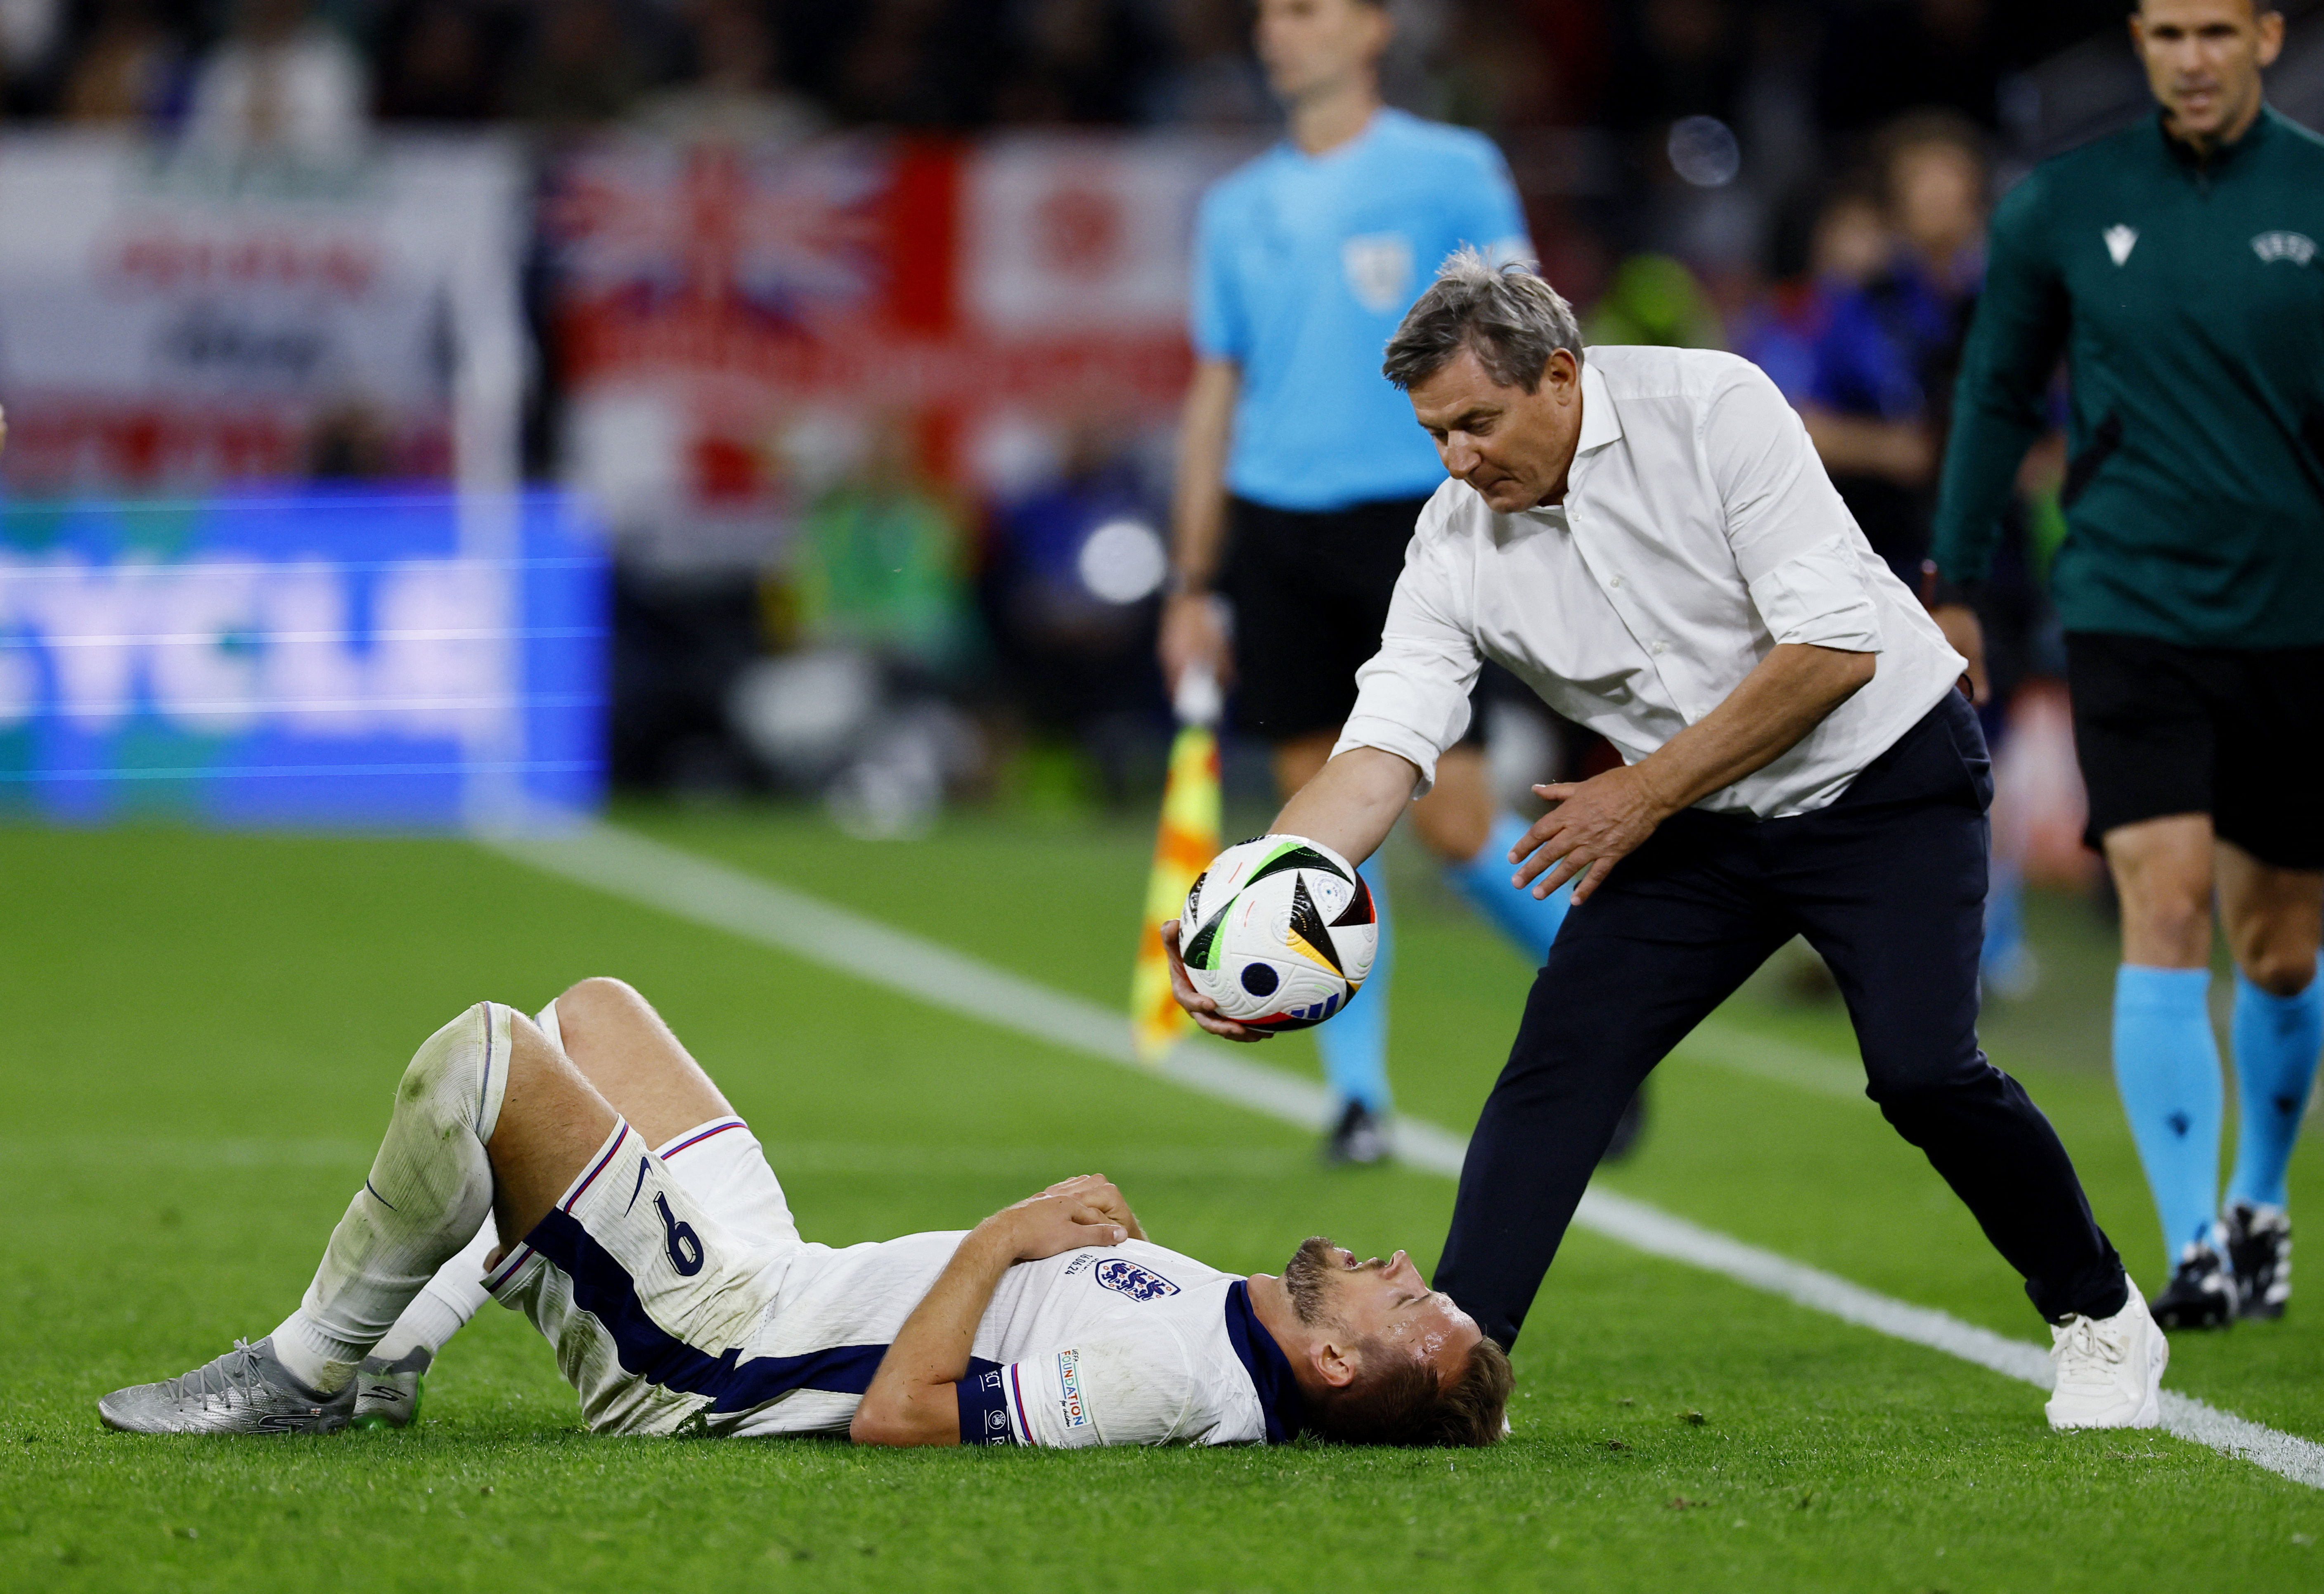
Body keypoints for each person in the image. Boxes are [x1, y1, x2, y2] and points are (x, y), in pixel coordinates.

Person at [1167, 251, 2163, 1431]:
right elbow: (1385, 745)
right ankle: (1456, 1369)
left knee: (1923, 1073)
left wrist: (1640, 797)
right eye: (1436, 433)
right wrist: (1271, 888)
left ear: (1560, 377)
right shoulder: (1450, 542)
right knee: (1563, 1062)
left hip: (1883, 775)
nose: (1457, 459)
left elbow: (1833, 654)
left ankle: (2100, 1314)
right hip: (1702, 814)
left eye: (1478, 423)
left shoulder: (1718, 408)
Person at [96, 978, 1511, 1448]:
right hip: (780, 1272)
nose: (1395, 1259)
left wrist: (1004, 1236)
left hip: (711, 1352)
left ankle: (305, 1371)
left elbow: (903, 1416)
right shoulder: (1239, 1325)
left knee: (487, 1054)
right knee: (592, 1013)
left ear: (1336, 1365)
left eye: (1407, 1297)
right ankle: (411, 1340)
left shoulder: (1167, 1383)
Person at [1930, 0, 2324, 1330]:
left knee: (2277, 945)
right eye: (2167, 32)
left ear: (2269, 36)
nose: (2193, 57)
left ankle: (2260, 1200)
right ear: (2140, 45)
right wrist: (1958, 580)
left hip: (2297, 616)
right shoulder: (2061, 207)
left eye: (2219, 29)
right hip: (2130, 603)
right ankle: (2193, 1244)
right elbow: (1996, 392)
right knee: (2162, 903)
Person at [1160, 0, 1599, 1164]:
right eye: (1269, 14)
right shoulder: (1235, 206)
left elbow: (1527, 334)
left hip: (1423, 518)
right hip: (1278, 525)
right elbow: (1216, 391)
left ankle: (1612, 1008)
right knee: (1321, 818)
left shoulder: (1453, 169)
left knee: (1454, 820)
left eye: (1306, 9)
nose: (1277, 31)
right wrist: (1193, 578)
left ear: (1370, 28)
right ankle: (1358, 1100)